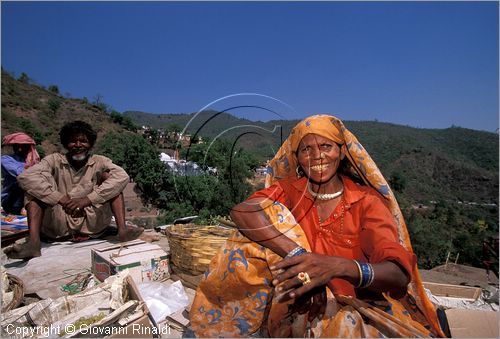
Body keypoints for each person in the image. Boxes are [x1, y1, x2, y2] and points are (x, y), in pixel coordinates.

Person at [189, 115, 445, 337]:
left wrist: (338, 267)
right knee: (251, 232)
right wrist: (298, 256)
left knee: (345, 326)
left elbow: (398, 274)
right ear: (297, 158)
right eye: (306, 150)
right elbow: (242, 211)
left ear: (342, 152)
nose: (317, 156)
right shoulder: (291, 191)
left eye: (326, 146)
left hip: (357, 306)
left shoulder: (366, 201)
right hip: (298, 304)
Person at [3, 121, 144, 260]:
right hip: (58, 222)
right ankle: (34, 244)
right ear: (65, 144)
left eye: (83, 141)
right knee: (34, 188)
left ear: (90, 144)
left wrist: (87, 200)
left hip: (91, 222)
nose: (78, 145)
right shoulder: (53, 160)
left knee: (112, 182)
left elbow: (122, 176)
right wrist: (60, 199)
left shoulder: (100, 161)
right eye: (72, 141)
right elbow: (25, 177)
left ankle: (122, 231)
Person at [1, 132, 40, 214]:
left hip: (30, 197)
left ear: (29, 147)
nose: (20, 149)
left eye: (23, 146)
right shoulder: (6, 159)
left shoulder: (34, 161)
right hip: (11, 201)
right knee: (21, 182)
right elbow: (22, 174)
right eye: (17, 146)